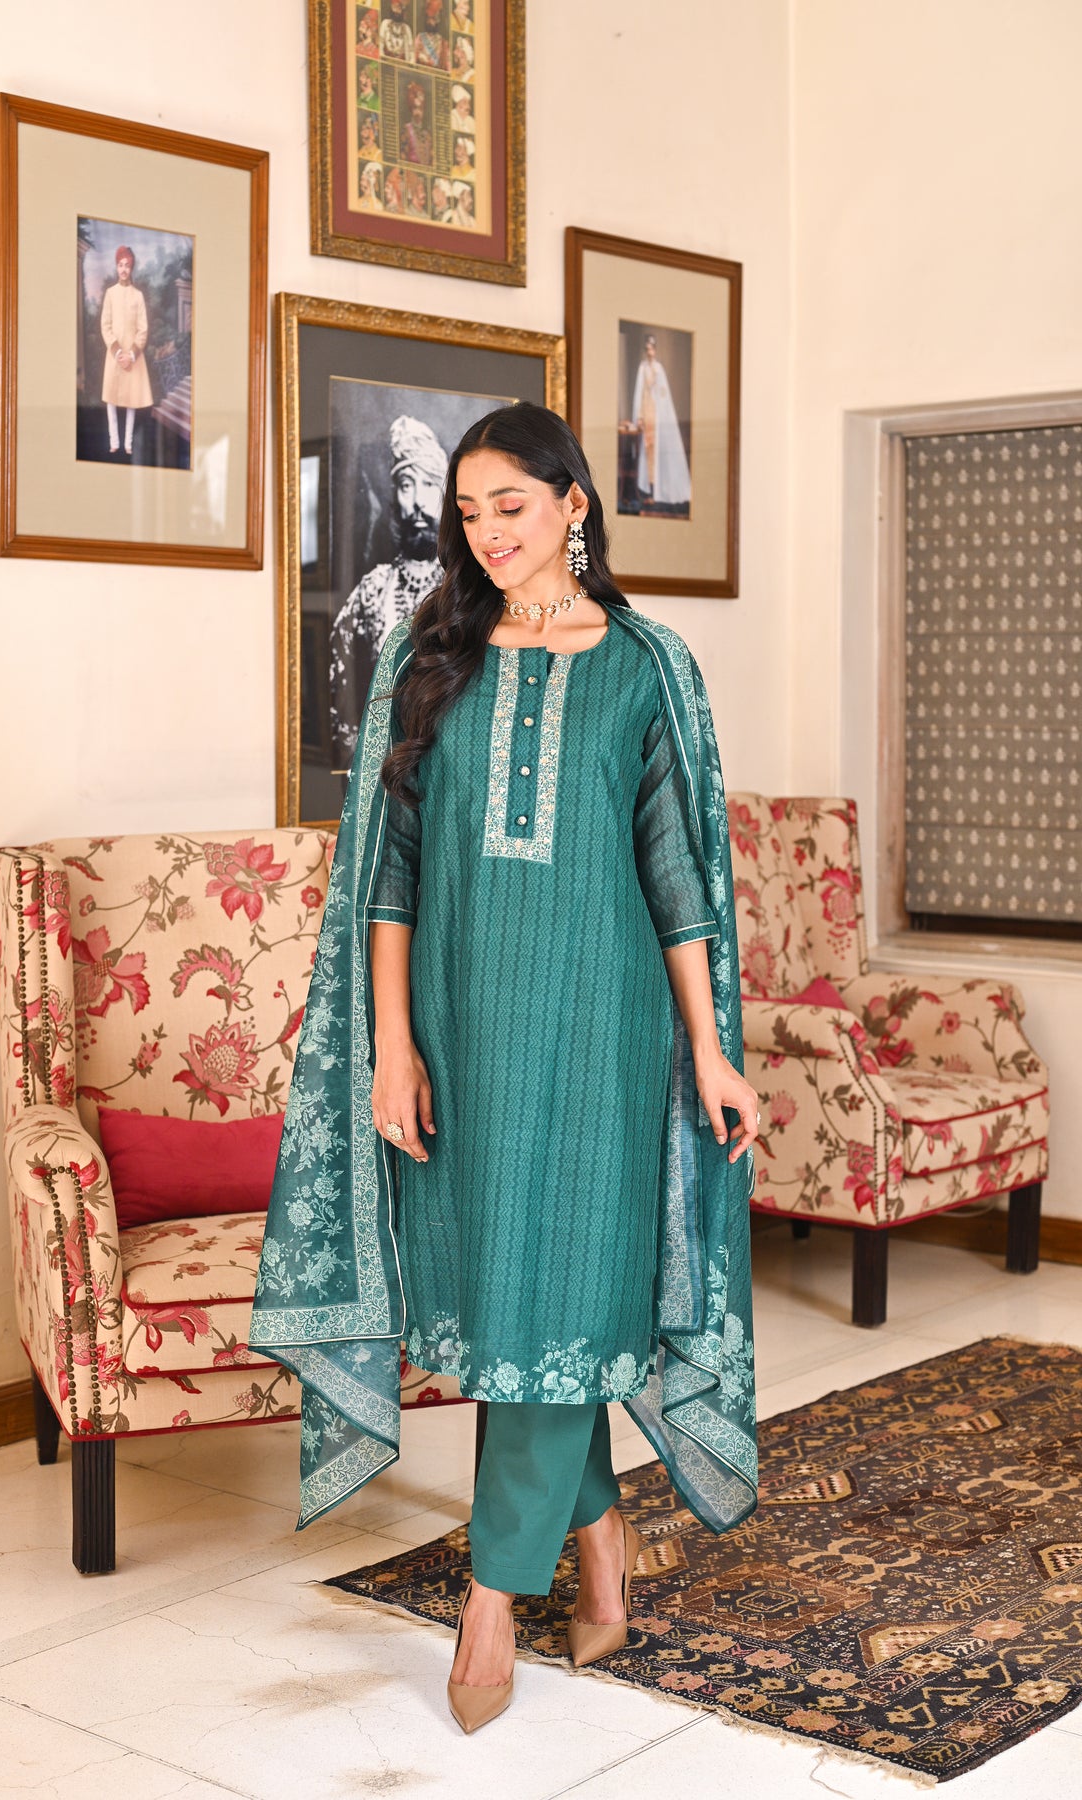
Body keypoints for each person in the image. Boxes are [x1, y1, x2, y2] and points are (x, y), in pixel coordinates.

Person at [249, 401, 760, 1733]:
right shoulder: (433, 656)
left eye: (511, 507)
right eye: (467, 515)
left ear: (574, 504)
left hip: (604, 1030)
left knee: (555, 1286)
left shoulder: (648, 666)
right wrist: (393, 1045)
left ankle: (490, 1597)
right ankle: (598, 1534)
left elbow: (679, 876)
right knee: (513, 1301)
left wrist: (710, 1050)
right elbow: (390, 871)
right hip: (463, 1027)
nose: (487, 534)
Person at [326, 413, 447, 767]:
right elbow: (341, 681)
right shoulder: (374, 589)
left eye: (429, 485)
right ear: (394, 498)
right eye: (407, 486)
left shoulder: (468, 592)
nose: (419, 502)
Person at [99, 246, 152, 457]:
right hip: (114, 355)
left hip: (133, 356)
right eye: (120, 265)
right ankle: (114, 441)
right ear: (116, 267)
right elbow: (105, 325)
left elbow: (143, 329)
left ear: (131, 268)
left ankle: (128, 443)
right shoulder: (110, 293)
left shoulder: (138, 296)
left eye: (127, 265)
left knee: (132, 400)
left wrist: (131, 355)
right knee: (111, 400)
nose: (123, 269)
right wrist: (117, 351)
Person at [631, 331, 692, 509]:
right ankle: (649, 490)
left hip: (657, 415)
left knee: (659, 452)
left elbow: (664, 394)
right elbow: (639, 392)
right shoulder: (643, 368)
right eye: (647, 349)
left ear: (655, 350)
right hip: (647, 413)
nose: (649, 352)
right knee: (648, 451)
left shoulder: (659, 369)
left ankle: (659, 489)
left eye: (652, 348)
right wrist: (639, 416)